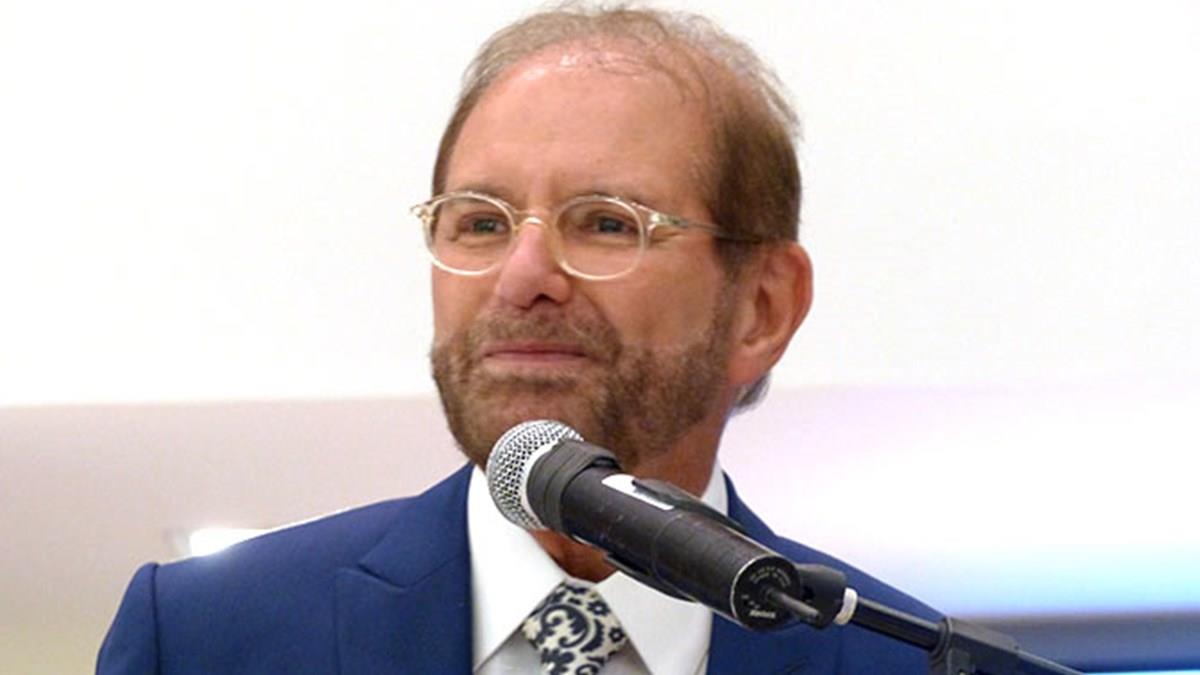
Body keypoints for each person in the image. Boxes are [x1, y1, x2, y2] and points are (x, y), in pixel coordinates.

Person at [98, 5, 939, 673]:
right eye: (480, 222)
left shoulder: (903, 661)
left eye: (606, 222)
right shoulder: (207, 637)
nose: (522, 274)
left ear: (762, 306)